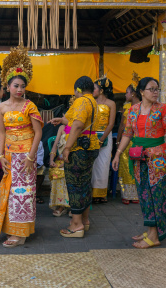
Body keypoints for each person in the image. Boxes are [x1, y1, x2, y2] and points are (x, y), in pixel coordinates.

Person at [112, 77, 166, 249]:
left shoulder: (164, 110)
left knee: (156, 195)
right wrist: (117, 154)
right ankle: (151, 230)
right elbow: (127, 134)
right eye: (151, 89)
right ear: (142, 91)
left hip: (159, 159)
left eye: (156, 89)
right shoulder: (133, 110)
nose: (155, 92)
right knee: (144, 194)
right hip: (139, 158)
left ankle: (155, 236)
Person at [0, 48, 43, 247]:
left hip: (26, 155)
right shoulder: (1, 107)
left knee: (24, 193)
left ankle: (21, 234)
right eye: (16, 86)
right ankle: (12, 229)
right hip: (10, 155)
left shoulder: (29, 106)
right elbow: (2, 133)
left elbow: (38, 133)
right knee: (10, 192)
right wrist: (0, 156)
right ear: (8, 86)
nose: (19, 89)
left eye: (22, 86)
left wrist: (31, 158)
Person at [49, 76, 102, 238]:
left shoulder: (81, 101)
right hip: (91, 146)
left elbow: (78, 125)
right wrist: (62, 120)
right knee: (85, 184)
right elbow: (74, 120)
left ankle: (76, 225)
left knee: (75, 185)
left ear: (77, 89)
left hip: (78, 148)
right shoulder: (92, 101)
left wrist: (67, 148)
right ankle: (84, 221)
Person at [116, 72, 141, 204]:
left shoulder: (133, 108)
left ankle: (130, 195)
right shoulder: (131, 107)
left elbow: (122, 126)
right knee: (131, 167)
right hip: (133, 142)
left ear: (133, 94)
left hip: (132, 142)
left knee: (130, 167)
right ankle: (132, 195)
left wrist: (118, 141)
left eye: (127, 92)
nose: (125, 95)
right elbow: (122, 126)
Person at [91, 76, 116, 204]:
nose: (92, 90)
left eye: (94, 88)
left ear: (101, 90)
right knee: (93, 164)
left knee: (103, 164)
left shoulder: (111, 103)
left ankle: (101, 193)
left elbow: (111, 124)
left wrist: (102, 139)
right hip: (91, 136)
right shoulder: (91, 103)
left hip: (106, 135)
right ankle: (92, 193)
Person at [49, 125, 70, 216]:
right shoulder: (62, 127)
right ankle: (61, 205)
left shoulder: (77, 126)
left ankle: (71, 206)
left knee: (67, 174)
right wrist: (51, 159)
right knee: (56, 172)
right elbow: (55, 145)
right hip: (60, 159)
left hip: (72, 160)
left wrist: (66, 163)